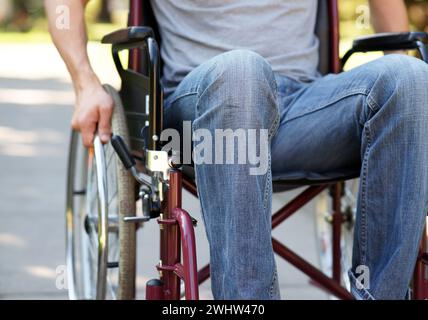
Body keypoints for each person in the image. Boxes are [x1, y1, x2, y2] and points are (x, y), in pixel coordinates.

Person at [45, 0, 428, 300]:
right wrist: (85, 82)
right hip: (199, 116)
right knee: (241, 71)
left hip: (304, 110)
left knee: (410, 78)